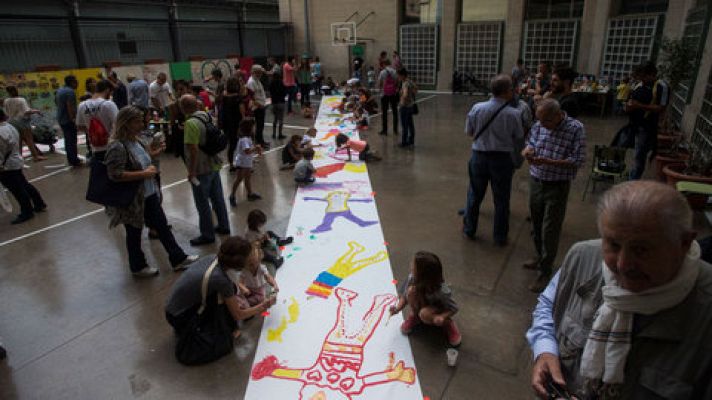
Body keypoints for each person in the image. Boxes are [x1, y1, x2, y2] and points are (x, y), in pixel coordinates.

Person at [526, 180, 712, 399]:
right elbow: (548, 304)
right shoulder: (583, 256)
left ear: (684, 243)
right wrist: (545, 350)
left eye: (641, 250)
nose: (623, 264)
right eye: (613, 245)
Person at [104, 106, 197, 276]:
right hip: (134, 199)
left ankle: (177, 258)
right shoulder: (117, 146)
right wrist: (143, 173)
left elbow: (145, 159)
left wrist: (154, 156)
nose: (142, 123)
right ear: (127, 123)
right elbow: (114, 174)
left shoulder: (137, 141)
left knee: (162, 226)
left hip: (149, 194)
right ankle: (138, 266)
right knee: (134, 232)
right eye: (137, 121)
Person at [521, 99, 586, 293]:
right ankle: (539, 256)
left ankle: (545, 270)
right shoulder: (540, 124)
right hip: (536, 181)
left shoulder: (576, 129)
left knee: (550, 228)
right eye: (539, 121)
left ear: (558, 115)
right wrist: (528, 150)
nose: (542, 125)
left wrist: (550, 162)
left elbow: (578, 160)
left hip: (557, 185)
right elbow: (530, 141)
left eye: (546, 121)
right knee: (536, 223)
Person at [165, 236, 277, 346]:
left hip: (172, 309)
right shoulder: (221, 280)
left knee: (230, 293)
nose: (251, 265)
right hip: (179, 317)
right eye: (249, 263)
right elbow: (238, 315)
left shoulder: (213, 258)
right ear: (240, 265)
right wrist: (263, 305)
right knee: (224, 340)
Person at [463, 74, 524, 246]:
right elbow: (518, 136)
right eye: (511, 89)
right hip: (502, 159)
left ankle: (469, 229)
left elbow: (469, 132)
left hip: (479, 157)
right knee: (502, 199)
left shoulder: (477, 108)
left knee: (474, 195)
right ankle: (499, 236)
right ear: (506, 92)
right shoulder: (513, 113)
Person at [180, 94, 231, 246]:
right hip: (214, 163)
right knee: (218, 199)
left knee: (202, 203)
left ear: (183, 108)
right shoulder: (206, 116)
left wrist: (192, 171)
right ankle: (224, 226)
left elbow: (193, 150)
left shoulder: (190, 124)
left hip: (201, 169)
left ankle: (207, 234)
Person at [389, 251, 461, 347]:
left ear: (423, 274)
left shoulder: (441, 290)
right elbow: (405, 296)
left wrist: (442, 317)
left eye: (414, 266)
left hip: (437, 310)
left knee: (424, 314)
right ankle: (415, 316)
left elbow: (454, 308)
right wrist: (397, 309)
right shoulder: (412, 278)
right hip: (422, 304)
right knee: (411, 291)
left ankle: (448, 324)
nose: (411, 266)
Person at [0, 108, 47, 224]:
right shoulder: (10, 126)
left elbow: (1, 151)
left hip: (7, 165)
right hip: (14, 161)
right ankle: (39, 203)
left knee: (17, 189)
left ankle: (27, 211)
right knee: (23, 184)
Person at [627, 62, 666, 180]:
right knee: (637, 151)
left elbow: (661, 107)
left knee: (640, 153)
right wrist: (629, 106)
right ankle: (633, 175)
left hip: (647, 126)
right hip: (635, 124)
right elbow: (632, 100)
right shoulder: (639, 85)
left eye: (644, 77)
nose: (642, 80)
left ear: (652, 74)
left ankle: (633, 179)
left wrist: (640, 106)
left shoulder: (661, 86)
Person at [76, 79, 118, 162]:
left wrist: (93, 131)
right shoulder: (109, 104)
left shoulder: (82, 105)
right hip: (111, 146)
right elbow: (119, 124)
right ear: (107, 90)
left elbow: (80, 126)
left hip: (95, 147)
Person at [3, 85, 46, 161]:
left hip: (11, 122)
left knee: (18, 141)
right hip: (22, 122)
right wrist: (36, 111)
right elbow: (26, 111)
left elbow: (6, 113)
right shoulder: (21, 100)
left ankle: (19, 157)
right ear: (15, 90)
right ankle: (35, 156)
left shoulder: (6, 101)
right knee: (29, 140)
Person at [235, 242, 280, 309]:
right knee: (239, 293)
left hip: (259, 289)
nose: (253, 266)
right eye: (250, 265)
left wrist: (274, 284)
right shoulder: (244, 271)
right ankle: (243, 302)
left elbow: (268, 277)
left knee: (261, 298)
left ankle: (246, 302)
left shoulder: (261, 267)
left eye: (256, 262)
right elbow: (239, 283)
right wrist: (244, 288)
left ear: (259, 260)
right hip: (248, 288)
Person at [230, 119, 262, 207]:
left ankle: (250, 194)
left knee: (247, 178)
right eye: (253, 127)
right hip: (242, 163)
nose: (254, 128)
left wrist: (253, 156)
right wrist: (256, 148)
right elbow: (247, 151)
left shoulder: (247, 138)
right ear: (249, 128)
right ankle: (232, 195)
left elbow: (248, 152)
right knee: (239, 179)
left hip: (247, 162)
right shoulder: (244, 139)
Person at [56, 75, 82, 167]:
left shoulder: (60, 90)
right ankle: (74, 160)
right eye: (76, 81)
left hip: (61, 118)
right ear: (72, 82)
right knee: (72, 140)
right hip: (68, 120)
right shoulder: (70, 92)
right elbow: (69, 106)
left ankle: (71, 159)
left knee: (68, 140)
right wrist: (74, 120)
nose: (77, 83)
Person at [222, 76, 246, 170]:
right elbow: (242, 111)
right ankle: (242, 163)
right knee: (242, 143)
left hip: (227, 123)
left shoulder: (224, 96)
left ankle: (231, 165)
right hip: (237, 123)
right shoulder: (238, 98)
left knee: (231, 145)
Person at [246, 65, 269, 147]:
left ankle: (261, 141)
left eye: (261, 72)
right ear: (254, 72)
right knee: (259, 126)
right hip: (257, 108)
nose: (261, 74)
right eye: (259, 72)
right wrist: (259, 105)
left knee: (261, 125)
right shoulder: (251, 82)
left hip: (261, 106)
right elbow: (251, 97)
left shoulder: (257, 80)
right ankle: (259, 142)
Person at [167, 80, 190, 158]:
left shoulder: (196, 103)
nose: (179, 92)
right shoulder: (173, 106)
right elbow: (172, 123)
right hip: (181, 136)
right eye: (177, 90)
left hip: (195, 134)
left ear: (188, 89)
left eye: (181, 89)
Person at [377, 60, 399, 136]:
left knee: (384, 112)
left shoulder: (382, 72)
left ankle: (385, 130)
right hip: (393, 94)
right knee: (395, 112)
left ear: (384, 64)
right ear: (390, 64)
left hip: (384, 94)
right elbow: (397, 82)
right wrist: (394, 88)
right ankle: (395, 130)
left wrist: (380, 90)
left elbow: (379, 83)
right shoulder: (394, 71)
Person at [398, 68, 418, 147]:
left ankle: (404, 142)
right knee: (410, 124)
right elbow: (416, 90)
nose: (398, 77)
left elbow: (405, 94)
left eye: (399, 76)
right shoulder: (410, 82)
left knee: (404, 125)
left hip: (405, 106)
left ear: (402, 75)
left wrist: (402, 100)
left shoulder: (405, 83)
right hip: (410, 106)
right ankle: (411, 140)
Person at [269, 71, 287, 140]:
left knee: (275, 119)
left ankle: (273, 134)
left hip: (274, 103)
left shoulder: (271, 84)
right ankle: (280, 134)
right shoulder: (281, 83)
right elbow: (285, 92)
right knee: (281, 119)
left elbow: (270, 92)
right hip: (281, 102)